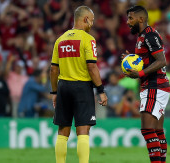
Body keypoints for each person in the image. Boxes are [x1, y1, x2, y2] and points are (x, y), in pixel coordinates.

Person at [49, 6, 107, 163]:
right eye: (92, 20)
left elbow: (54, 70)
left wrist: (54, 92)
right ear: (86, 19)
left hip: (63, 87)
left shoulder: (60, 40)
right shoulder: (88, 40)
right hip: (82, 87)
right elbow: (92, 67)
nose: (92, 24)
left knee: (63, 130)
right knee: (83, 130)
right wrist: (101, 90)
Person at [124, 6, 170, 163]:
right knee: (157, 131)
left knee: (147, 130)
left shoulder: (149, 35)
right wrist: (132, 60)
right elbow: (148, 60)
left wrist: (140, 74)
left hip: (154, 86)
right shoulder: (142, 36)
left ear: (141, 19)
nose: (128, 22)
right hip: (156, 86)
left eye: (131, 18)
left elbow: (162, 61)